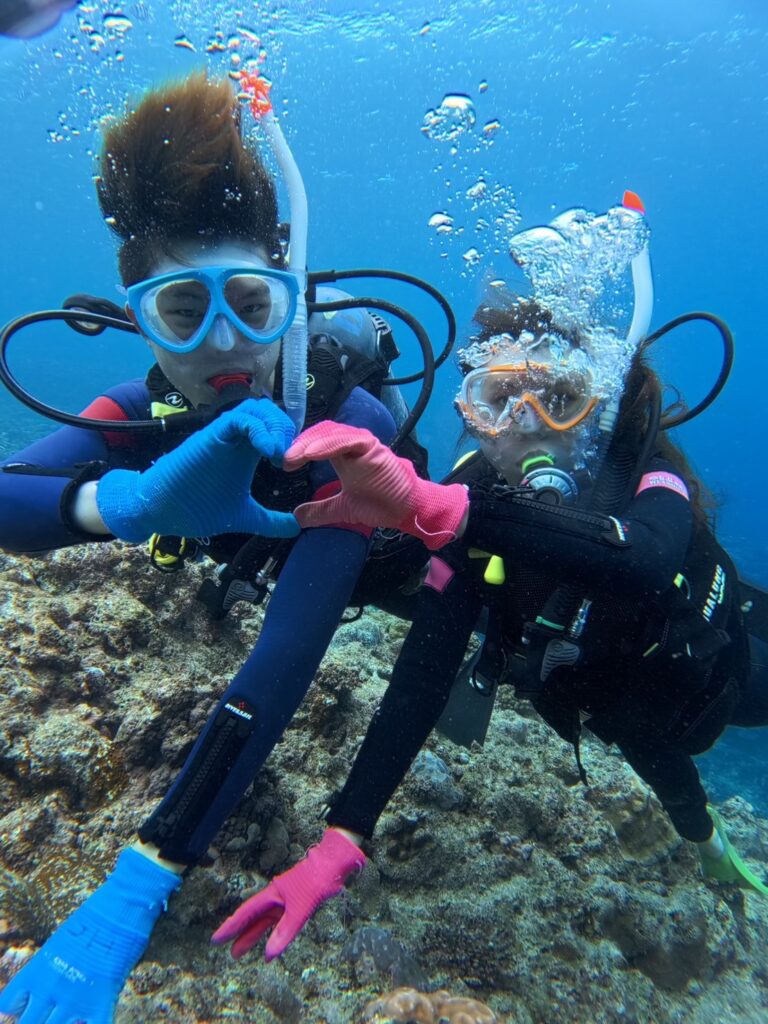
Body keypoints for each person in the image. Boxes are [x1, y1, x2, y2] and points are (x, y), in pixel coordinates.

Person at [0, 70, 421, 1022]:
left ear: (291, 304)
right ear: (139, 314)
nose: (226, 344)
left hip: (372, 568)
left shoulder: (347, 428)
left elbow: (284, 659)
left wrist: (144, 876)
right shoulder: (142, 412)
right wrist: (119, 505)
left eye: (253, 305)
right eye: (185, 312)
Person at [212, 284, 768, 964]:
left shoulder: (642, 473)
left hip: (725, 671)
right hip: (618, 704)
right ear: (471, 415)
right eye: (498, 400)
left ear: (598, 408)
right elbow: (423, 675)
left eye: (559, 398)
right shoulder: (469, 494)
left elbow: (646, 560)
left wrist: (444, 509)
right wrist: (342, 838)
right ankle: (709, 840)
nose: (528, 425)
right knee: (634, 726)